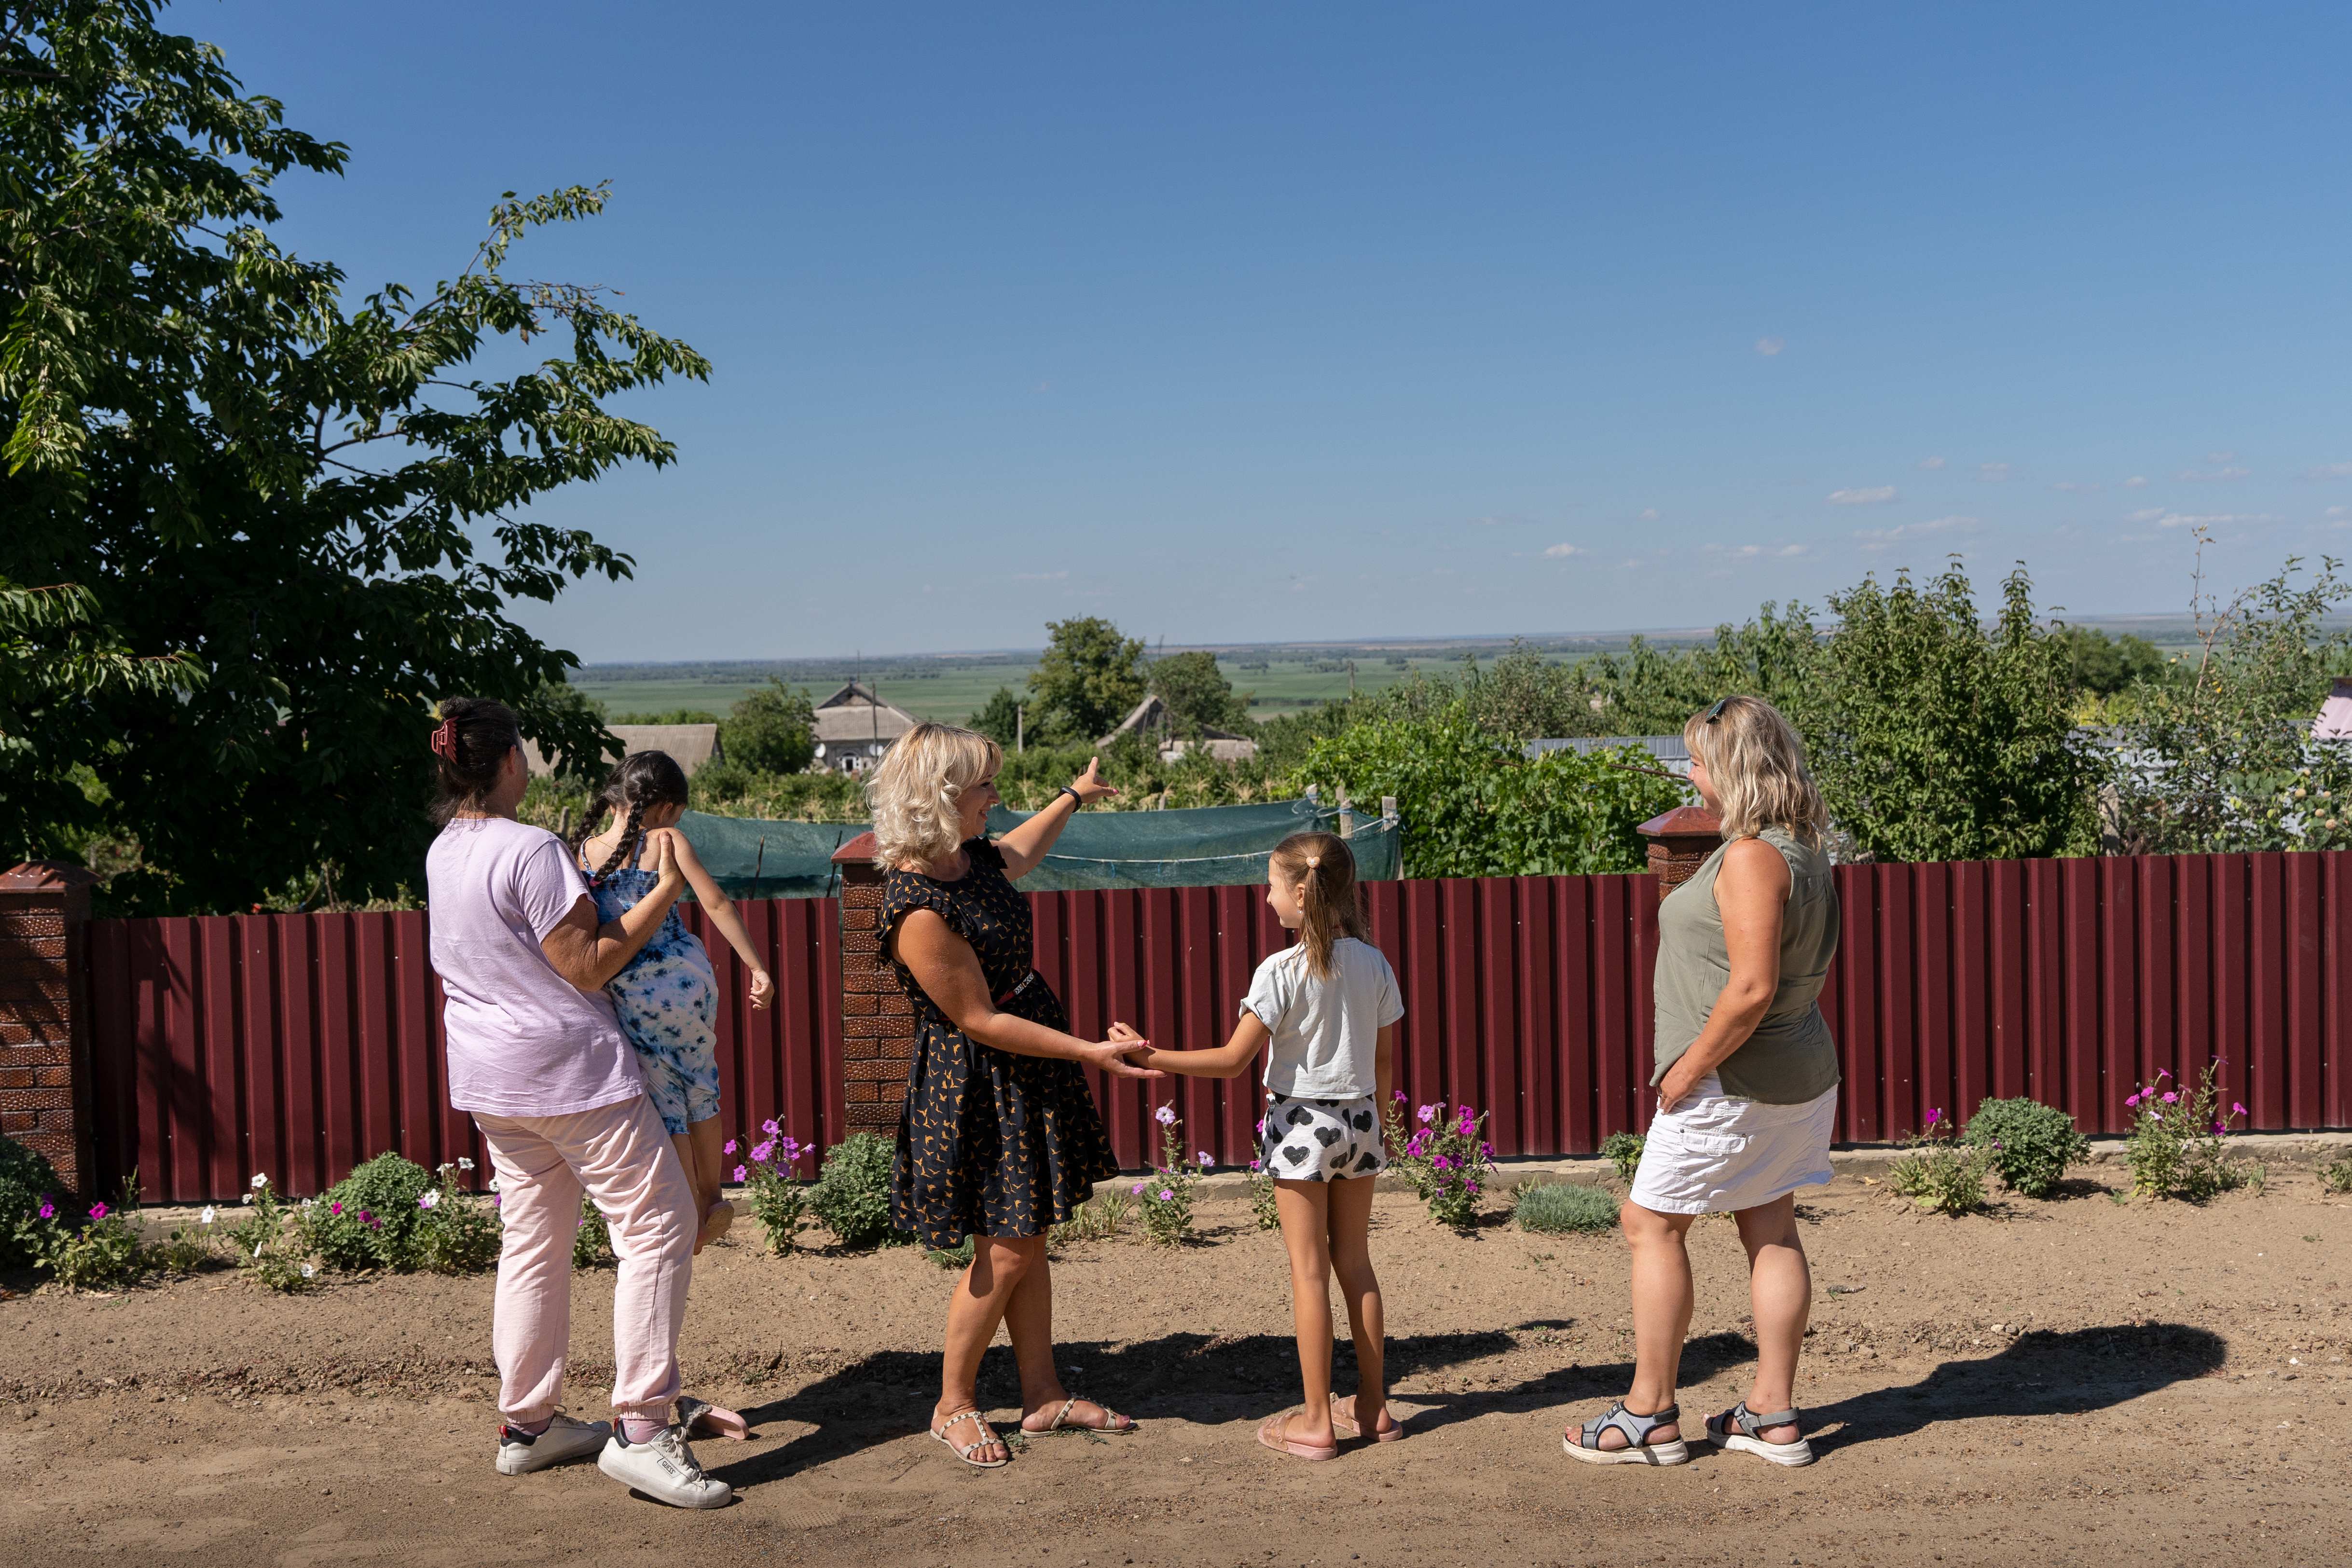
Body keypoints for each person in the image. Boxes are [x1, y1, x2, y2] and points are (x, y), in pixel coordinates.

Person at [421, 698, 730, 1509]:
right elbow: (589, 965)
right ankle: (641, 1431)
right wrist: (666, 891)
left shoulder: (444, 850)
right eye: (522, 752)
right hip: (571, 1074)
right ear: (509, 763)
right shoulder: (533, 852)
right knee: (661, 1225)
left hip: (492, 1082)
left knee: (533, 1242)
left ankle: (528, 1427)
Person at [867, 723, 1161, 1469]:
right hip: (978, 1080)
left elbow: (1021, 851)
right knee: (1004, 1247)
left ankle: (1041, 1396)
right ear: (941, 798)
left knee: (1026, 1235)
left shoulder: (971, 859)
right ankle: (952, 1404)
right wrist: (1091, 1051)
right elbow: (979, 1019)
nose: (995, 796)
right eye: (984, 785)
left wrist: (1075, 795)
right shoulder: (917, 906)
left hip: (1021, 1065)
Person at [1562, 695, 1841, 1470]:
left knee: (1649, 1223)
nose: (1687, 772)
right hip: (1796, 1070)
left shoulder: (1753, 857)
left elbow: (1749, 987)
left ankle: (1649, 1415)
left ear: (1730, 769)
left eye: (1695, 759)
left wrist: (1685, 1067)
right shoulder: (1801, 846)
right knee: (1770, 1226)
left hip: (1732, 1077)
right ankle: (1769, 1414)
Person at [1123, 831, 1403, 1461]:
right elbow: (1384, 1058)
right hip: (1359, 1120)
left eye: (1272, 884)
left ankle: (1313, 1421)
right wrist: (1377, 1124)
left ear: (1299, 892)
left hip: (1301, 1125)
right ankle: (1372, 1407)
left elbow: (1229, 1061)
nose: (1265, 895)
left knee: (1308, 1272)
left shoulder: (1279, 971)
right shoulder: (1373, 962)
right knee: (1354, 1263)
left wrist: (1149, 1055)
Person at [573, 750, 776, 1253]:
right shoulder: (668, 842)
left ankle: (691, 1211)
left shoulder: (582, 854)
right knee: (701, 1085)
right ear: (663, 806)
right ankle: (713, 1193)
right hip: (688, 983)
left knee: (666, 1100)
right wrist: (757, 967)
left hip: (633, 988)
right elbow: (716, 903)